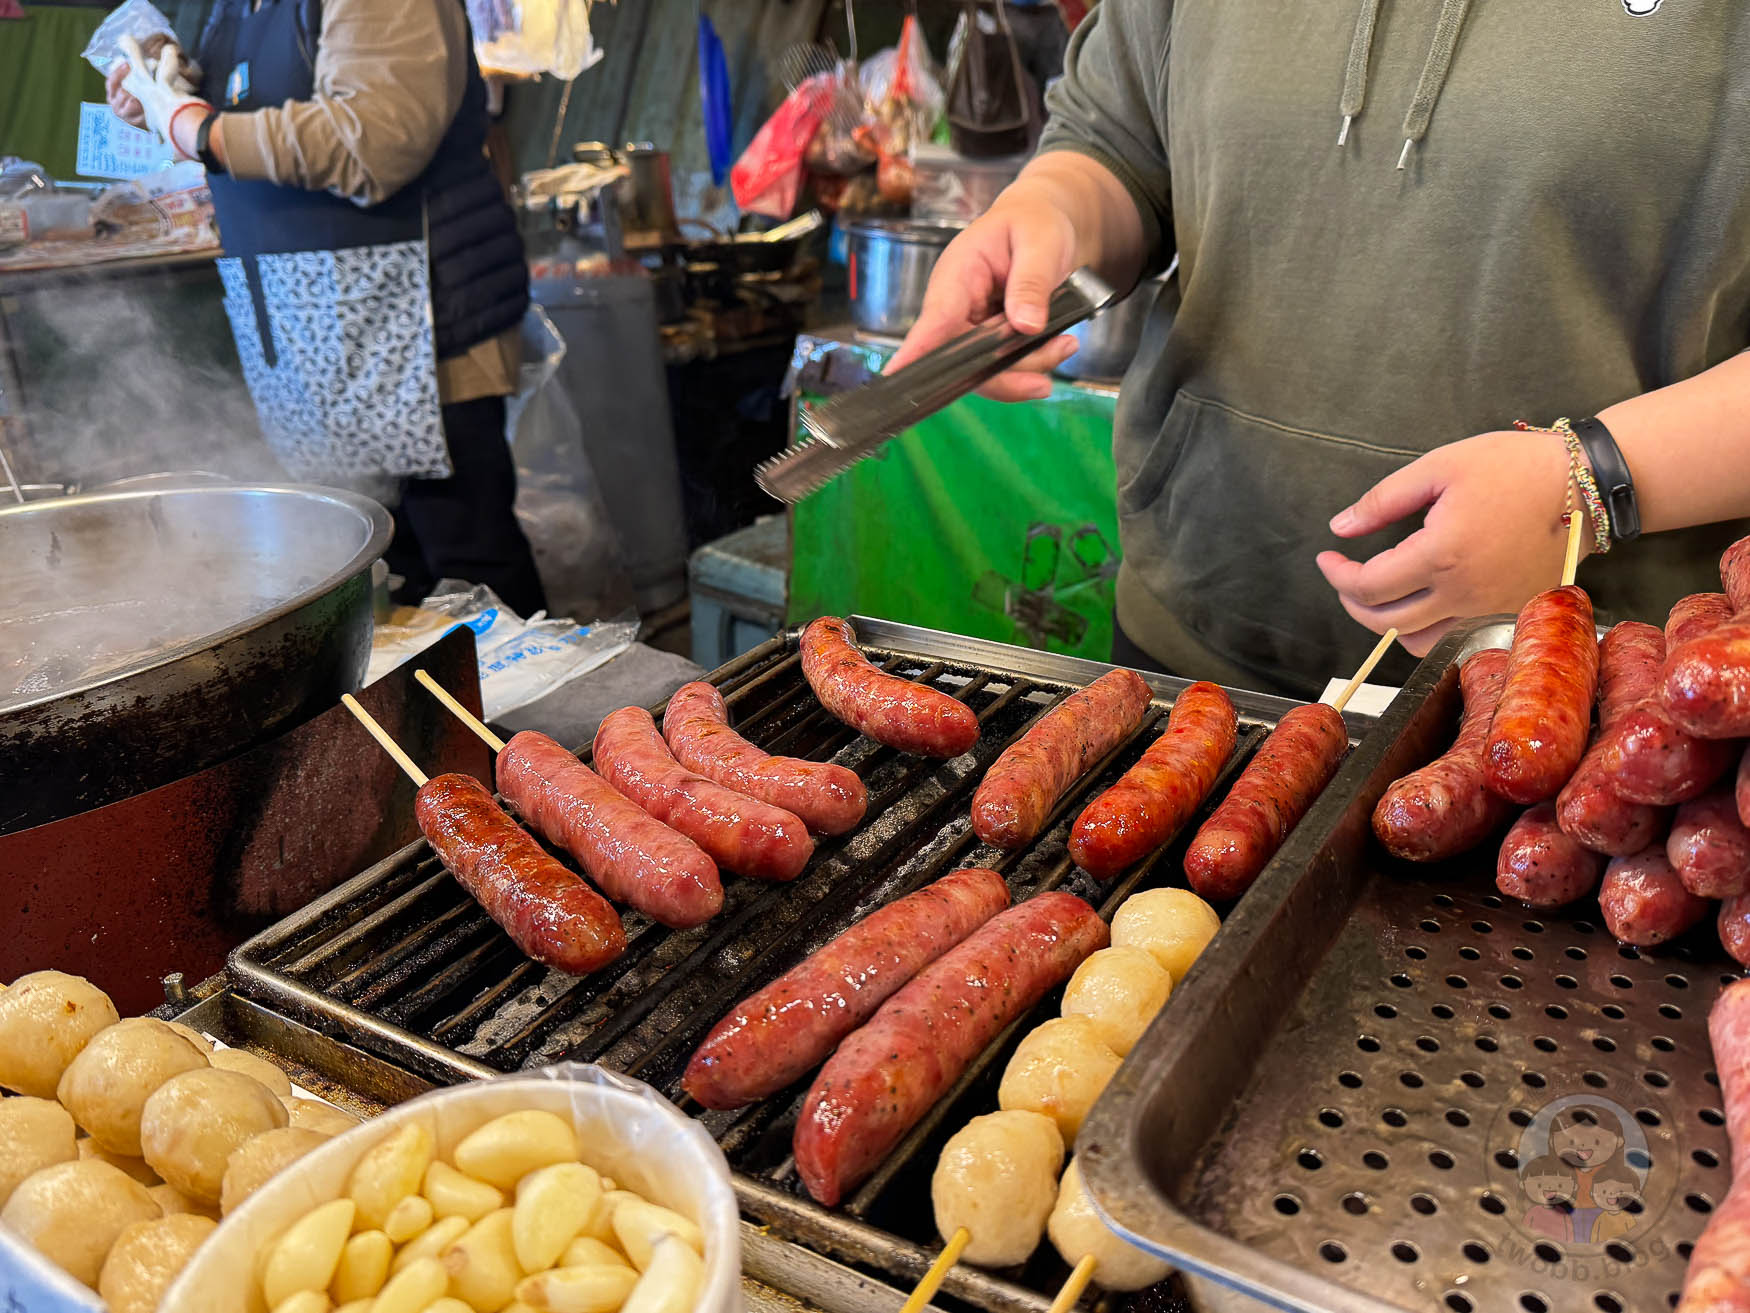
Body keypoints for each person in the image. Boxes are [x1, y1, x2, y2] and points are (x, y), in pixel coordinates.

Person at [891, 1, 1750, 697]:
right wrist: (1048, 217)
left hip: (1590, 698)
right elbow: (1118, 142)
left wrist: (1590, 481)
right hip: (1195, 648)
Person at [106, 0, 547, 617]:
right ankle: (411, 713)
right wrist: (161, 86)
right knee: (372, 571)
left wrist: (198, 130)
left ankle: (510, 714)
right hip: (305, 335)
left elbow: (375, 141)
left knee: (469, 572)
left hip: (417, 329)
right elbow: (250, 95)